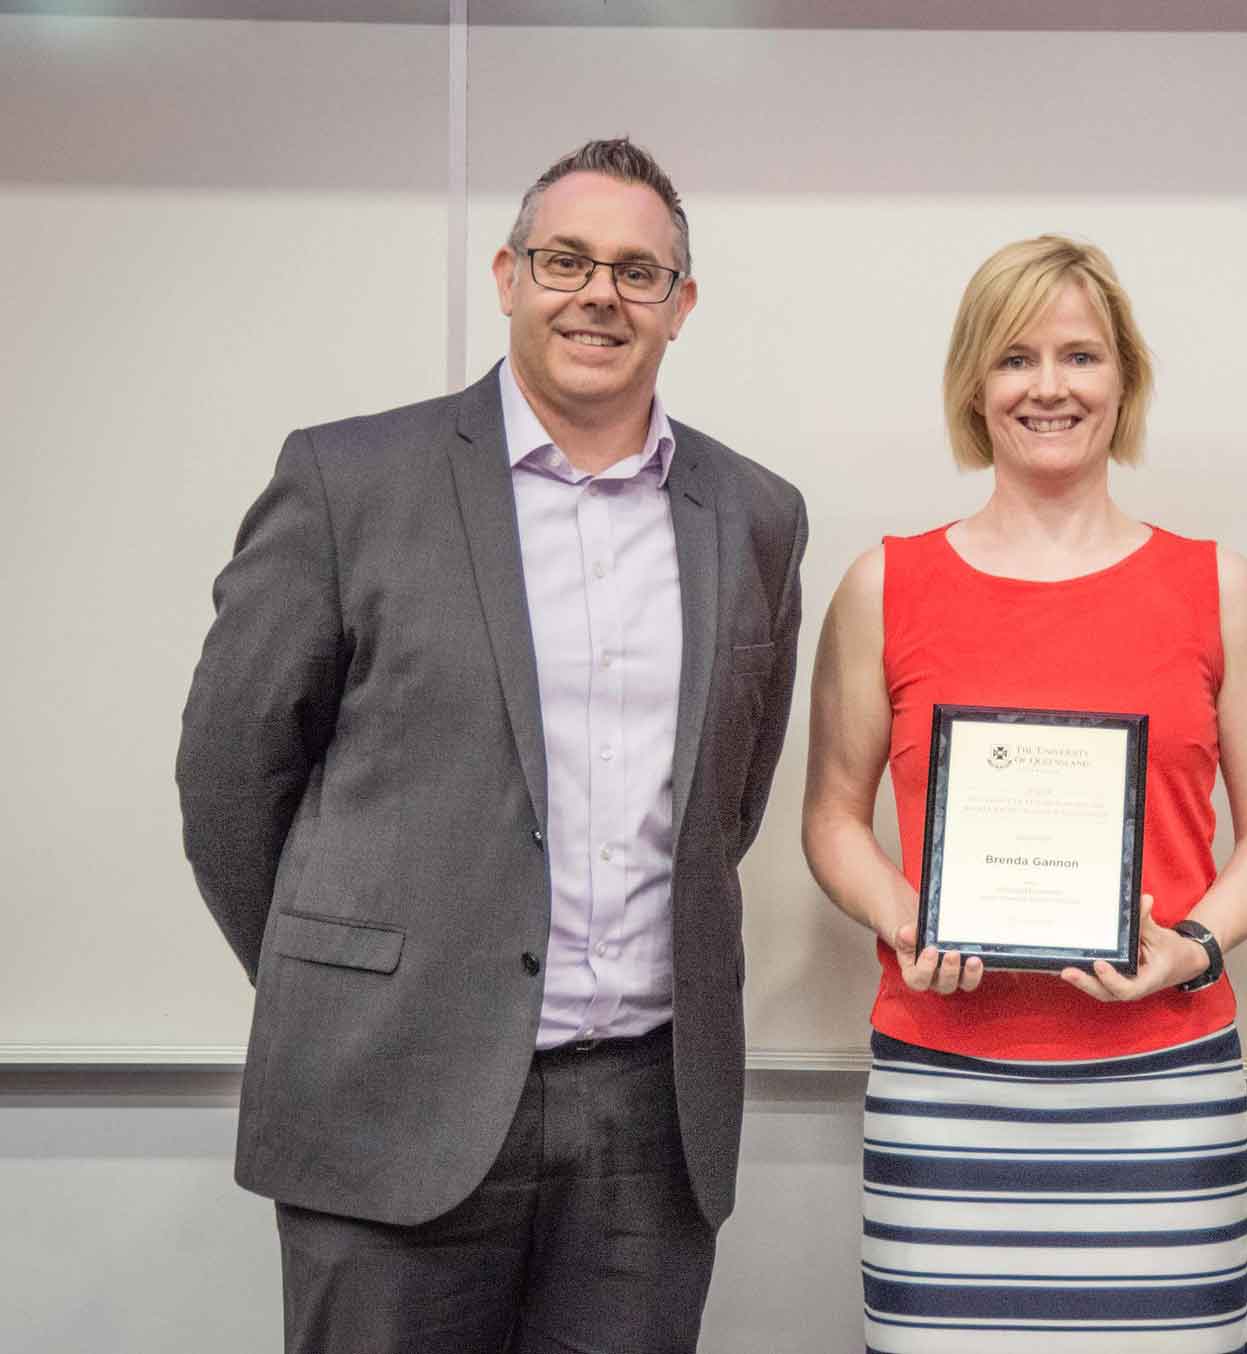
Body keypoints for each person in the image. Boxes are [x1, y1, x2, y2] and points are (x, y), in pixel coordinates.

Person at [176, 137, 805, 1354]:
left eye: (637, 271)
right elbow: (228, 780)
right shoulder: (348, 480)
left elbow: (729, 797)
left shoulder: (755, 514)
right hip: (389, 1091)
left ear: (682, 307)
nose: (599, 295)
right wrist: (361, 980)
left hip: (646, 1122)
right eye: (567, 259)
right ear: (510, 274)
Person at [803, 235, 1247, 1352]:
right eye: (1015, 356)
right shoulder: (886, 585)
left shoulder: (1219, 587)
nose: (1049, 386)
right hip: (944, 1083)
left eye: (1080, 355)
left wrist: (1195, 945)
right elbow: (831, 818)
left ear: (1123, 377)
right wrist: (902, 914)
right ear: (974, 385)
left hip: (1165, 1090)